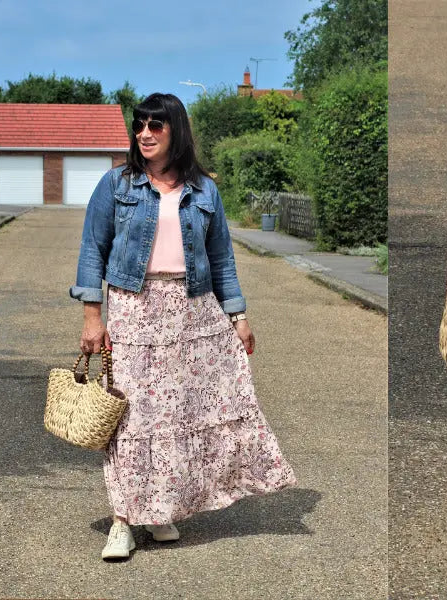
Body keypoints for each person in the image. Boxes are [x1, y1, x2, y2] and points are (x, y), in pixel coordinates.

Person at [70, 93, 296, 560]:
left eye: (156, 125)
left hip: (193, 309)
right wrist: (93, 316)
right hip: (134, 306)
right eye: (140, 126)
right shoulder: (117, 185)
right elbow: (93, 251)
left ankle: (161, 508)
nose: (145, 134)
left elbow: (222, 261)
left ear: (177, 130)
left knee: (183, 415)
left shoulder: (203, 190)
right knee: (131, 418)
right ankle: (122, 520)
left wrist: (238, 316)